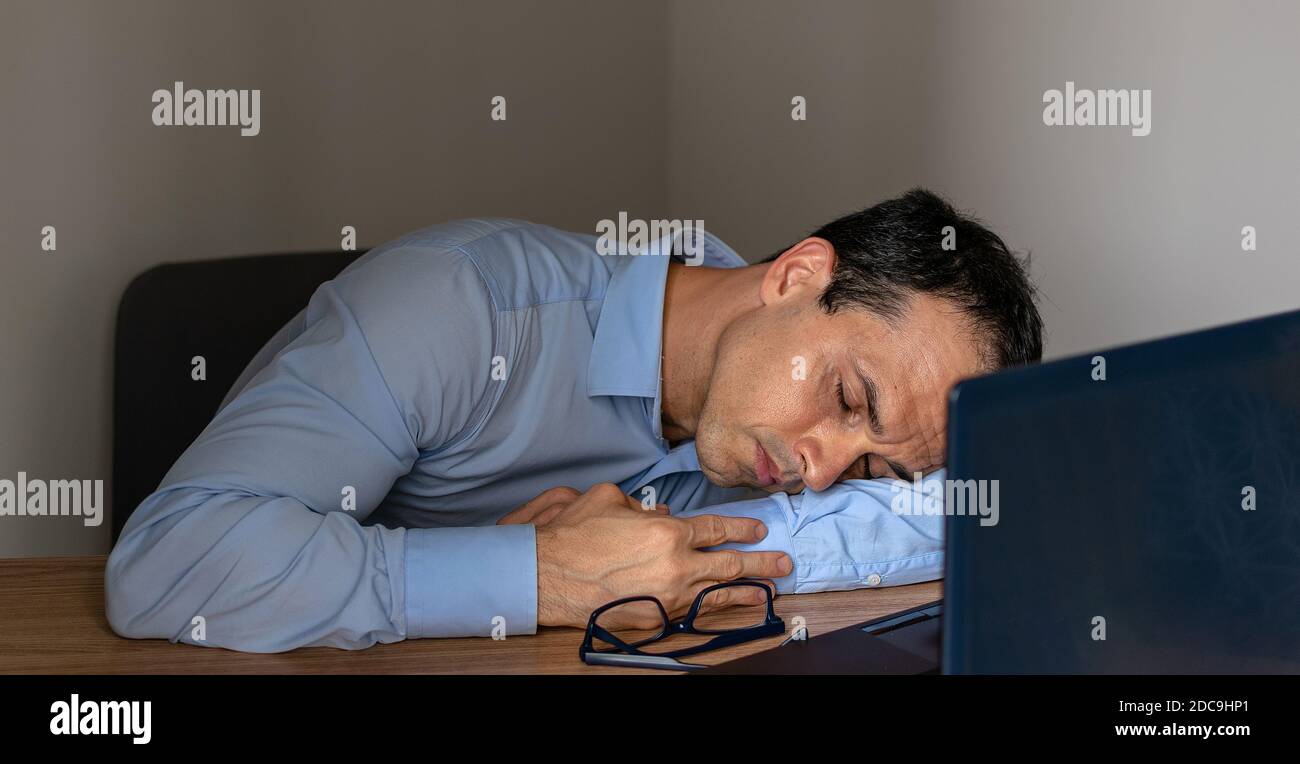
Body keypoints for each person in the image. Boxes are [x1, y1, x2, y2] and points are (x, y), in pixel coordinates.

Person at [105, 188, 1042, 651]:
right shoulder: (459, 307)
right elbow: (167, 564)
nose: (823, 471)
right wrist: (537, 576)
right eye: (847, 402)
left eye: (874, 467)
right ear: (797, 275)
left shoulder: (757, 426)